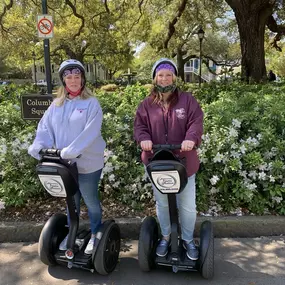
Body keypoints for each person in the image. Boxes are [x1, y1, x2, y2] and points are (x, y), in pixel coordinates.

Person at [28, 59, 106, 255]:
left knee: (90, 200)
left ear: (82, 80)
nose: (73, 80)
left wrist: (71, 150)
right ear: (63, 81)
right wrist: (39, 146)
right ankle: (74, 232)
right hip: (64, 164)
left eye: (77, 77)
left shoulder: (91, 103)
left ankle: (96, 233)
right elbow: (44, 128)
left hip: (88, 164)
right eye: (69, 77)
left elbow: (91, 132)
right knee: (71, 201)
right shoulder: (56, 105)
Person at [134, 58, 204, 260]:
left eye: (168, 74)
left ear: (174, 77)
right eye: (160, 75)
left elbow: (196, 122)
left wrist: (190, 139)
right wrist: (144, 138)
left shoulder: (187, 100)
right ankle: (165, 236)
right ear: (155, 78)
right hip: (157, 163)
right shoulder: (146, 104)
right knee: (163, 203)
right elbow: (140, 127)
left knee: (188, 205)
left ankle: (188, 239)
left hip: (184, 162)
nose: (164, 79)